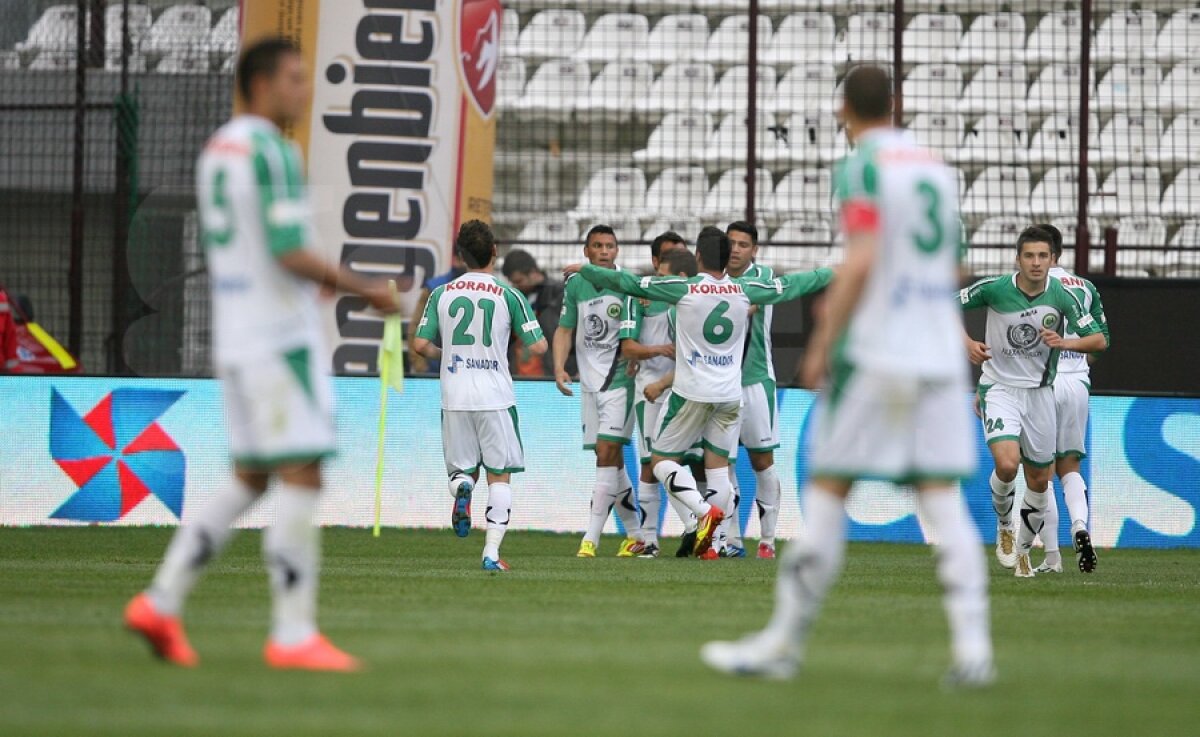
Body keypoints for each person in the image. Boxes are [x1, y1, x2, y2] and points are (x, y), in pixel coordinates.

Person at [700, 65, 993, 687]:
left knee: (830, 490)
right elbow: (953, 265)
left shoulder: (863, 164)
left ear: (844, 112)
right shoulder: (936, 169)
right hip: (938, 352)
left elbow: (859, 260)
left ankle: (784, 641)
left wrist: (825, 335)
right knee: (942, 501)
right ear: (895, 103)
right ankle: (974, 651)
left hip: (882, 352)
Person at [125, 38, 400, 671]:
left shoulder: (218, 150)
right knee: (304, 473)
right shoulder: (272, 149)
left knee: (251, 477)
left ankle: (160, 601)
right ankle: (294, 633)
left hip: (236, 336)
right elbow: (287, 248)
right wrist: (366, 290)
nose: (304, 90)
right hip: (279, 339)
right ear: (262, 83)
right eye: (295, 78)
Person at [565, 227, 833, 558]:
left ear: (699, 257)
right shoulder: (746, 289)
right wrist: (835, 271)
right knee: (718, 468)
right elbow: (795, 285)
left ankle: (704, 513)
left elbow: (629, 284)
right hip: (730, 395)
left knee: (660, 460)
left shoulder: (685, 288)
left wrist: (587, 269)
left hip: (691, 393)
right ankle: (717, 542)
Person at [961, 226, 1108, 577]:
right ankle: (1005, 528)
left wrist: (1065, 343)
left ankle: (1028, 551)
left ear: (1052, 258)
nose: (1037, 262)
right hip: (999, 389)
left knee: (1041, 479)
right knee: (1008, 465)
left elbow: (1099, 340)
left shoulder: (1062, 295)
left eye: (1043, 255)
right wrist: (965, 342)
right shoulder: (996, 288)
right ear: (1018, 259)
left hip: (1042, 392)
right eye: (1029, 255)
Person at [411, 220, 548, 571]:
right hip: (495, 396)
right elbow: (539, 345)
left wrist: (450, 354)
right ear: (494, 253)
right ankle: (490, 554)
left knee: (461, 471)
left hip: (454, 396)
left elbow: (420, 344)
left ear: (460, 255)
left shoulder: (441, 294)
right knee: (499, 476)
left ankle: (460, 489)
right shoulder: (508, 294)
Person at [554, 225, 645, 558]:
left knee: (606, 453)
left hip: (620, 381)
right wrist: (559, 366)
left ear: (617, 251)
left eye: (610, 246)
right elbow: (565, 330)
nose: (605, 251)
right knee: (610, 459)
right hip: (589, 385)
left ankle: (589, 540)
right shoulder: (576, 285)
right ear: (586, 251)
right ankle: (637, 535)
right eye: (598, 246)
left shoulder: (628, 285)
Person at [619, 237, 700, 558]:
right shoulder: (640, 297)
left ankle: (700, 526)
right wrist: (656, 351)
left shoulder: (689, 301)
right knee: (650, 464)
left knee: (674, 463)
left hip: (684, 388)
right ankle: (651, 539)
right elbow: (627, 348)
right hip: (650, 390)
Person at [1036, 224, 1107, 573]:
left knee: (1040, 472)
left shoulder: (1030, 287)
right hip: (1078, 382)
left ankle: (1052, 557)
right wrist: (1075, 359)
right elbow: (1100, 342)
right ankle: (1080, 526)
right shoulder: (1086, 287)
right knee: (1070, 468)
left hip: (1042, 382)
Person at [716, 221, 784, 560]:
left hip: (756, 379)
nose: (736, 249)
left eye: (743, 244)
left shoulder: (764, 277)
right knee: (723, 463)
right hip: (721, 383)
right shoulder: (713, 278)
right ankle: (731, 540)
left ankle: (768, 540)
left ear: (754, 249)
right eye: (731, 243)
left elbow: (746, 307)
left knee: (762, 460)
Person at [501, 249, 565, 377]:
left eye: (519, 281)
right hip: (517, 373)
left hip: (550, 374)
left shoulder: (559, 294)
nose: (516, 286)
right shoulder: (513, 298)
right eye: (512, 282)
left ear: (533, 273)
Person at [408, 252, 467, 375]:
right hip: (436, 370)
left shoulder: (484, 290)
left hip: (472, 370)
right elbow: (416, 327)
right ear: (456, 259)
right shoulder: (435, 288)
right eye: (463, 260)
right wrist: (421, 367)